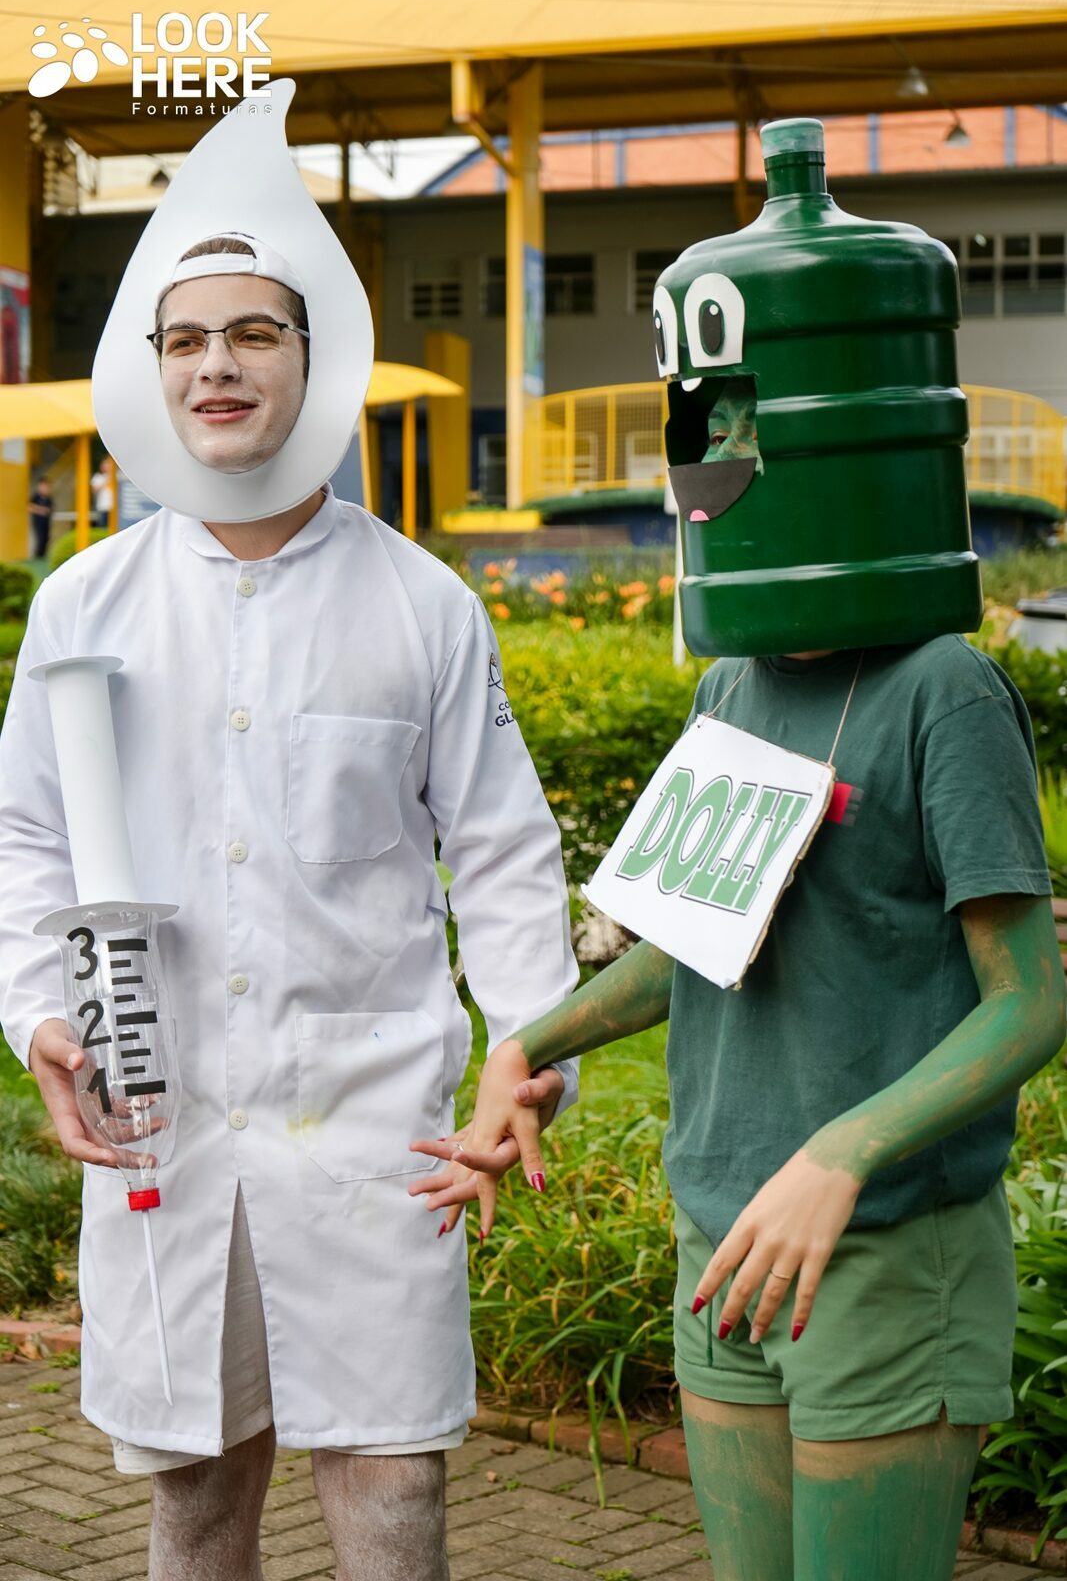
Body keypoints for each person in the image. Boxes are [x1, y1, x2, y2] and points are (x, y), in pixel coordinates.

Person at [427, 120, 1067, 1581]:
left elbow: (1028, 1001)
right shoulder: (730, 684)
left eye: (743, 429)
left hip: (878, 1249)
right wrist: (528, 1043)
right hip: (719, 1234)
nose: (719, 466)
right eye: (705, 432)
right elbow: (693, 945)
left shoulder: (941, 691)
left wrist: (839, 1154)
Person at [0, 79, 575, 1581]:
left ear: (313, 358)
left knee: (390, 1495)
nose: (217, 363)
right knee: (195, 1499)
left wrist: (525, 1052)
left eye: (254, 331)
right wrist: (41, 1014)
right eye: (185, 338)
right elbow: (27, 839)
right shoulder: (85, 604)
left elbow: (503, 852)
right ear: (152, 370)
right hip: (159, 1112)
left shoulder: (419, 604)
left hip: (373, 1120)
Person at [27, 473, 53, 560]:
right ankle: (37, 557)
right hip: (38, 523)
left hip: (46, 522)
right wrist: (42, 510)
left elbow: (50, 509)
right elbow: (30, 507)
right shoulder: (35, 497)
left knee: (46, 539)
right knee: (40, 539)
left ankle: (42, 557)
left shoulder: (48, 499)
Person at [89, 454, 115, 529]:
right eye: (105, 464)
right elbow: (94, 490)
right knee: (103, 528)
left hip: (115, 508)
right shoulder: (97, 477)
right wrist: (107, 480)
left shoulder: (117, 476)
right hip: (103, 507)